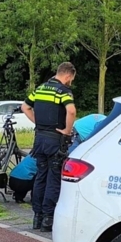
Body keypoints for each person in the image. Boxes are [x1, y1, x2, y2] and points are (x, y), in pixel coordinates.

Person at [21, 62, 76, 231]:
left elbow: (25, 107)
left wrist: (38, 122)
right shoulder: (63, 91)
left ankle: (37, 217)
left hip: (40, 139)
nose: (71, 82)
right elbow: (71, 111)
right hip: (55, 140)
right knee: (53, 178)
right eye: (71, 79)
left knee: (40, 177)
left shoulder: (40, 89)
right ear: (68, 75)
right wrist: (67, 130)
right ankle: (48, 219)